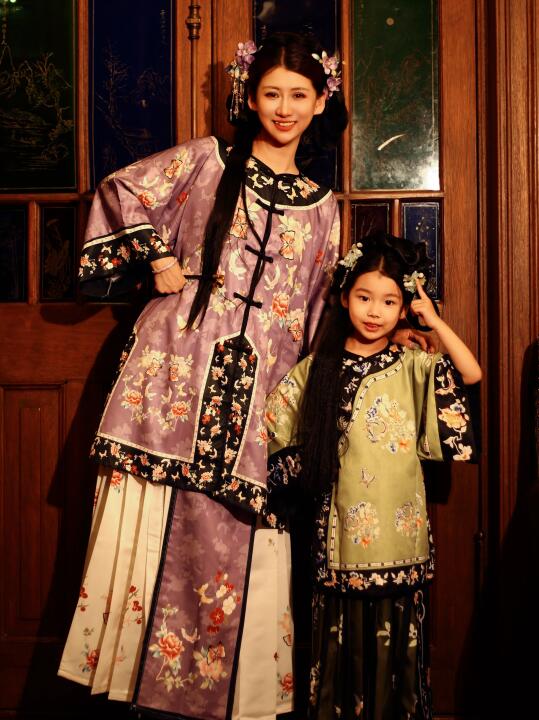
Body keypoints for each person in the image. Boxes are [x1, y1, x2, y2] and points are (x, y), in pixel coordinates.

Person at [58, 32, 349, 720]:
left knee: (237, 543)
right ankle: (132, 697)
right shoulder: (204, 160)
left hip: (256, 402)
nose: (284, 108)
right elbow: (120, 190)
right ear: (249, 97)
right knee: (148, 531)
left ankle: (224, 701)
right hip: (169, 380)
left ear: (320, 103)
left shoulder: (324, 206)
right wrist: (157, 256)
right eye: (271, 93)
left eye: (298, 96)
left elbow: (315, 321)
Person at [265, 233, 481, 720]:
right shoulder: (316, 369)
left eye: (389, 302)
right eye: (365, 297)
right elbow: (274, 434)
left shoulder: (413, 365)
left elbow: (470, 375)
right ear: (345, 297)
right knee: (337, 665)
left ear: (404, 308)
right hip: (337, 542)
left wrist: (433, 321)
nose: (375, 312)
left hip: (400, 542)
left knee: (397, 667)